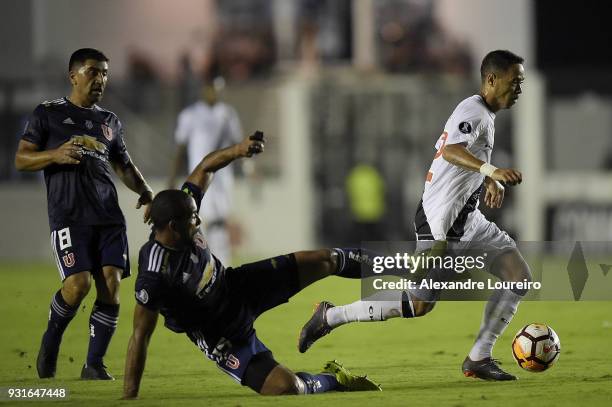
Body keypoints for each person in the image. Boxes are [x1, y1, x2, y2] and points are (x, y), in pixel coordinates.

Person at [299, 50, 530, 381]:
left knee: (518, 276)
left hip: (469, 220)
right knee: (419, 303)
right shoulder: (473, 111)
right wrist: (493, 170)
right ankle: (331, 316)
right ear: (492, 79)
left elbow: (467, 156)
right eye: (515, 81)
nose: (519, 88)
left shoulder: (485, 115)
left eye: (521, 82)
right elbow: (452, 151)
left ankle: (479, 357)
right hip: (442, 224)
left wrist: (490, 179)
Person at [123, 131, 381, 398]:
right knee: (287, 387)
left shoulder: (181, 208)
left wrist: (239, 150)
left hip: (237, 286)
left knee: (325, 259)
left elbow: (205, 167)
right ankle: (333, 379)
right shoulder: (154, 275)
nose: (199, 222)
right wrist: (129, 397)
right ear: (173, 227)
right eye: (193, 219)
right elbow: (140, 335)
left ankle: (401, 265)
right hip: (219, 331)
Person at [14, 48, 154, 380]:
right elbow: (21, 159)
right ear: (73, 75)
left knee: (111, 284)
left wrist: (146, 192)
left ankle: (94, 365)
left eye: (105, 73)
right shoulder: (47, 114)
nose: (101, 79)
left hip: (108, 216)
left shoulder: (109, 122)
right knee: (78, 285)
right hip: (68, 216)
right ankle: (51, 341)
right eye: (93, 72)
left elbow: (123, 165)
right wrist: (54, 154)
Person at [168, 78, 242, 265]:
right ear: (204, 90)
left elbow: (237, 145)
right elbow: (180, 148)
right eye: (212, 89)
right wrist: (172, 177)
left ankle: (222, 262)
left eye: (219, 90)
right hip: (200, 176)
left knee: (220, 219)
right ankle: (201, 261)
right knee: (199, 218)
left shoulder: (228, 114)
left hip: (223, 177)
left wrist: (248, 168)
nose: (215, 93)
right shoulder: (190, 114)